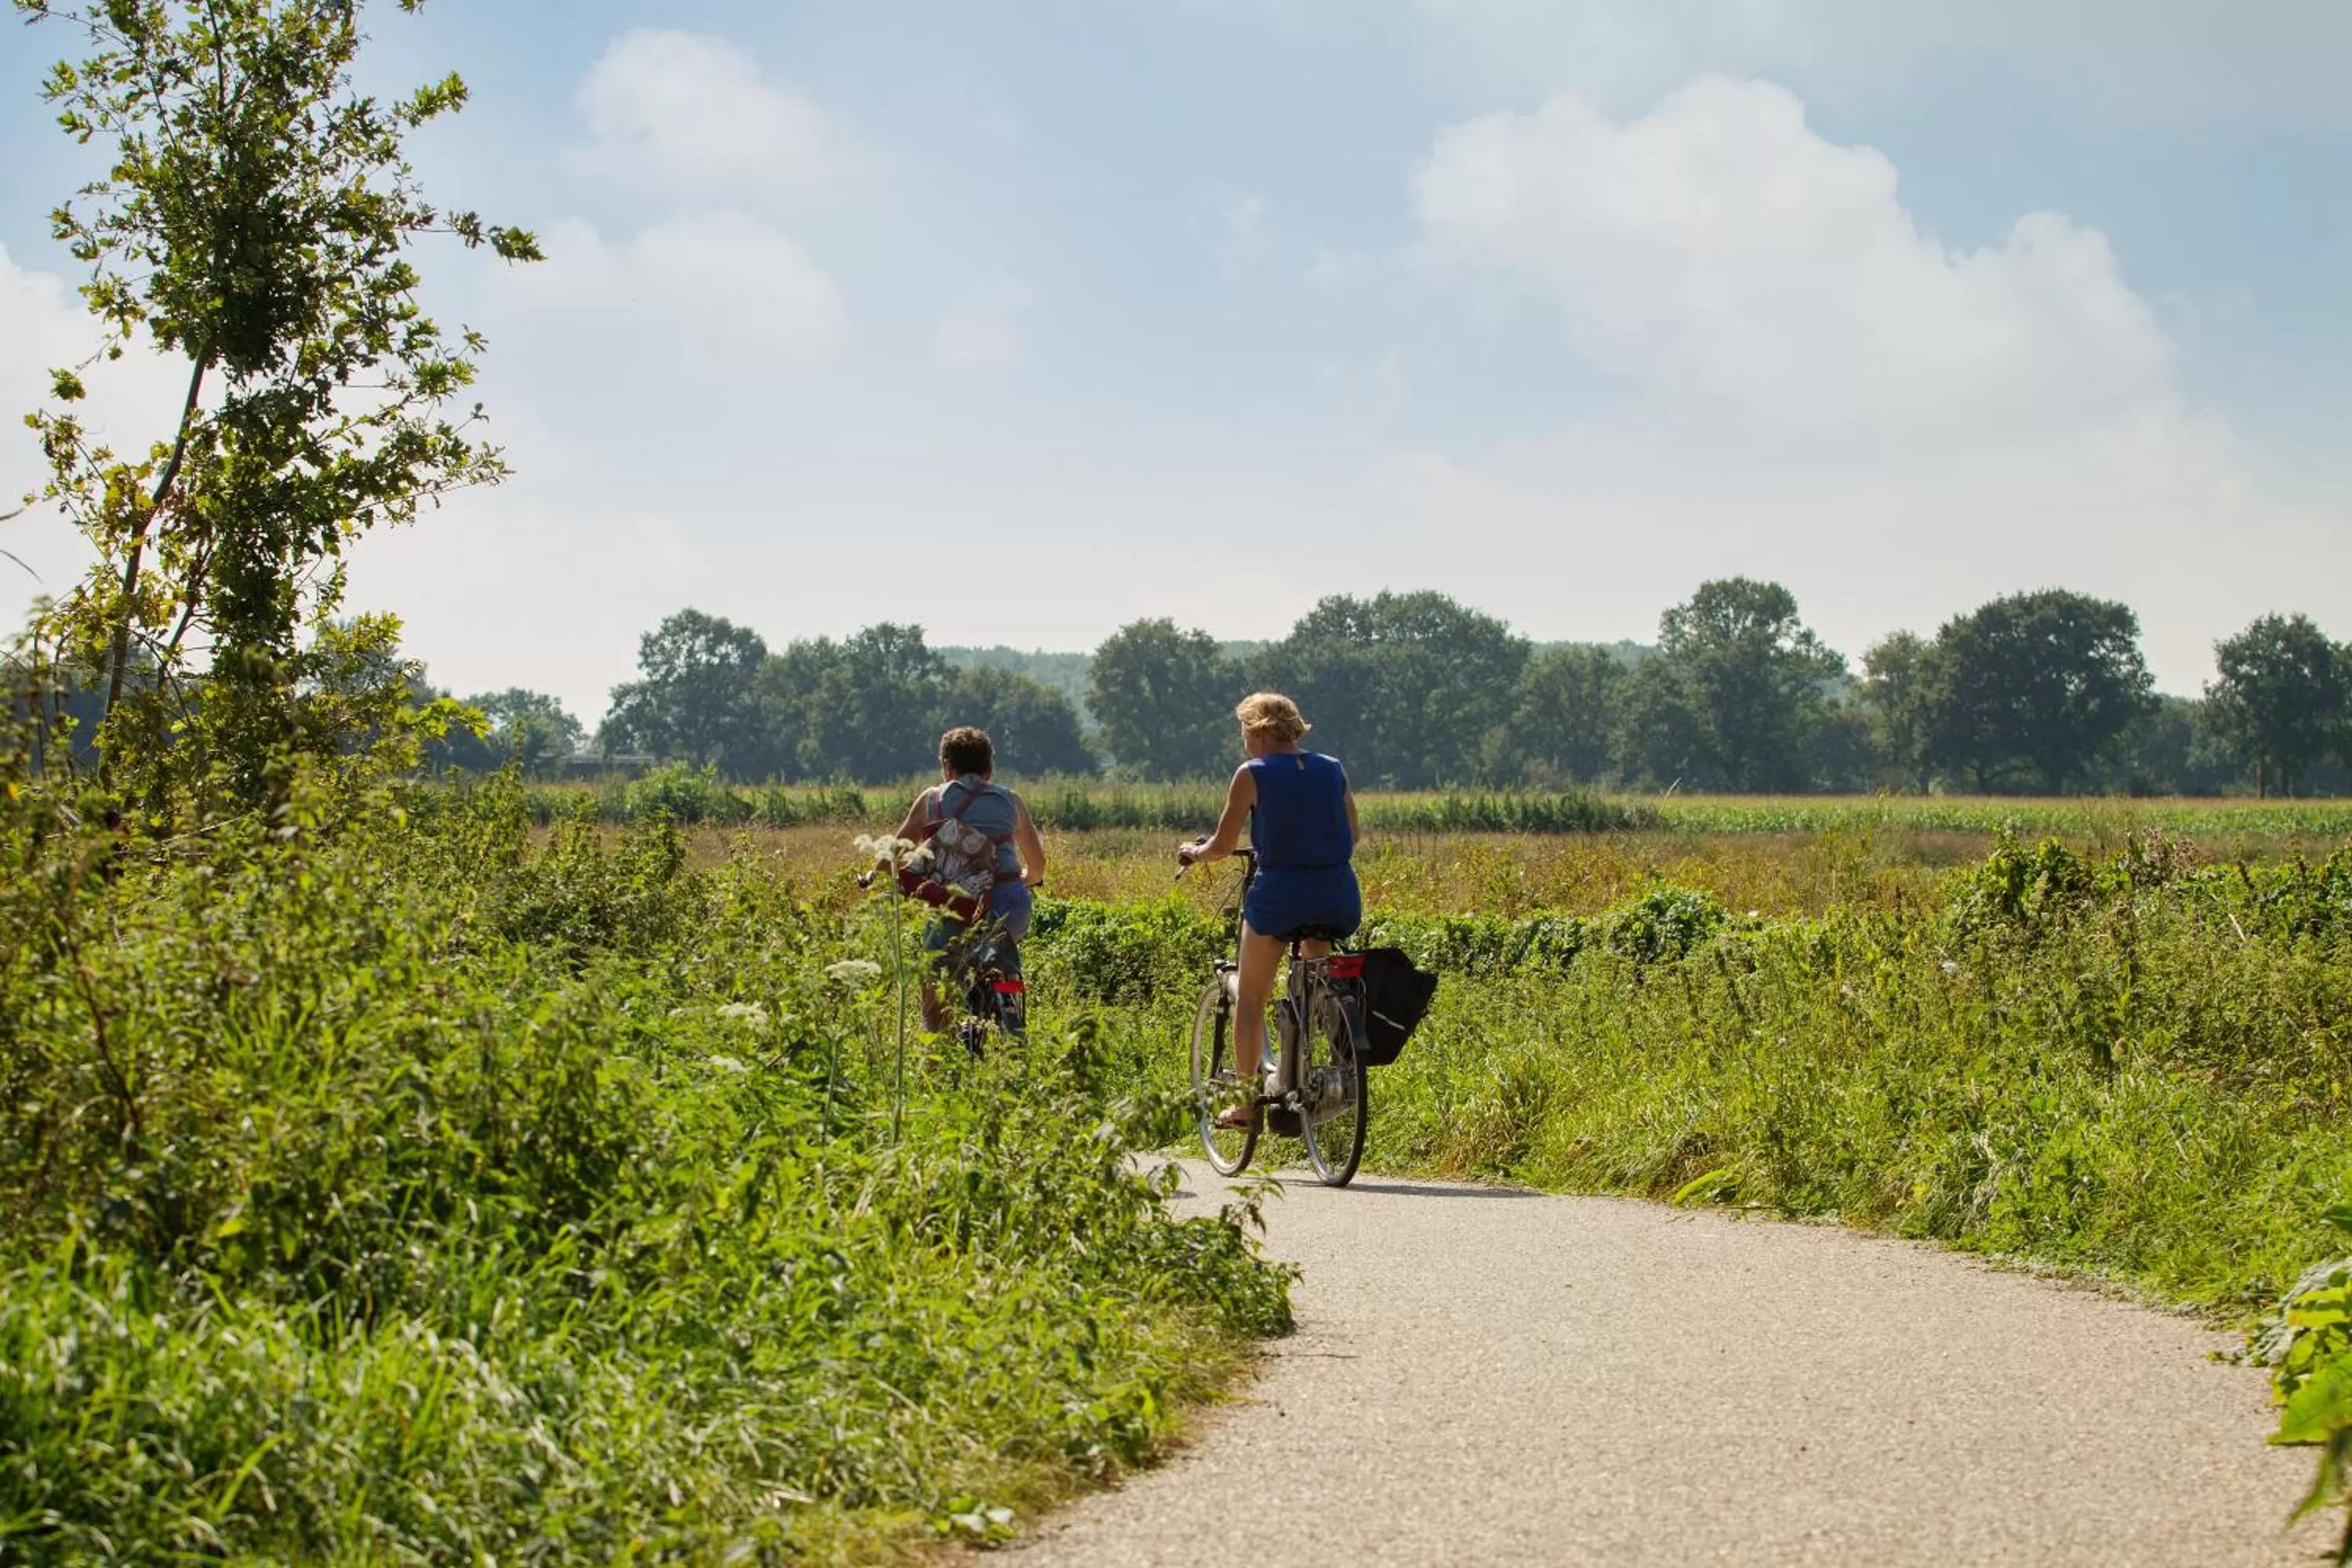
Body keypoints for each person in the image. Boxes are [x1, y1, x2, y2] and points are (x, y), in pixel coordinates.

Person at [1177, 692, 1361, 1128]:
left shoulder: (1252, 774)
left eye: (1244, 730)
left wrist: (1193, 851)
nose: (1242, 739)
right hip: (1336, 894)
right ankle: (1336, 1063)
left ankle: (1244, 1105)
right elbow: (1352, 834)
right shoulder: (1332, 768)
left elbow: (1222, 847)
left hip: (1280, 897)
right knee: (1318, 980)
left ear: (1258, 729)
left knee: (1251, 999)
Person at [891, 726, 1047, 1033]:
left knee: (936, 977)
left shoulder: (933, 798)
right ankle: (1010, 1014)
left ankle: (937, 1048)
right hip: (1011, 906)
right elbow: (1038, 865)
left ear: (947, 767)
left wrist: (878, 873)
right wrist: (1025, 880)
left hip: (957, 907)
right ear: (989, 768)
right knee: (1003, 958)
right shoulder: (1010, 800)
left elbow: (890, 856)